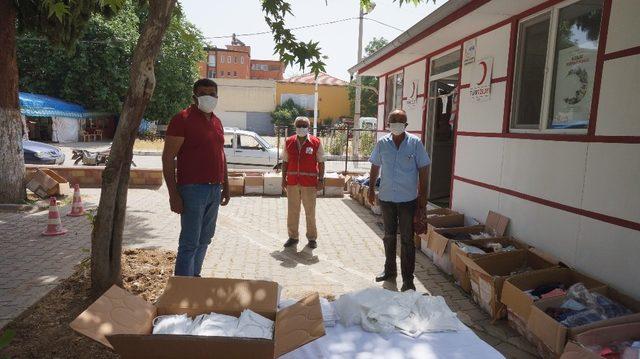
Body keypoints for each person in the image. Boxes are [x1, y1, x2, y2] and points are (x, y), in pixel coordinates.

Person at [162, 78, 230, 277]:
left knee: (205, 239)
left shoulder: (217, 122)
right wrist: (173, 195)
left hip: (214, 189)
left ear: (217, 96)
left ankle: (195, 280)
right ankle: (183, 288)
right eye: (203, 93)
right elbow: (167, 158)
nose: (208, 97)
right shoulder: (181, 119)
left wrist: (226, 185)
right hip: (192, 190)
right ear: (194, 96)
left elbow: (221, 154)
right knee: (190, 242)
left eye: (212, 94)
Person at [368, 109, 430, 292]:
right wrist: (371, 189)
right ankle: (390, 272)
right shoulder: (382, 143)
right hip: (387, 198)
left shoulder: (415, 143)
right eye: (392, 120)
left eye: (399, 121)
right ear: (387, 123)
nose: (395, 124)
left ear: (406, 125)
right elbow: (375, 165)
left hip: (407, 200)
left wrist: (423, 195)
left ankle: (408, 280)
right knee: (388, 237)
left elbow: (424, 168)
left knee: (407, 241)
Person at [281, 116, 325, 249]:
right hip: (293, 182)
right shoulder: (289, 141)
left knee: (310, 212)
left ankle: (312, 238)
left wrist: (321, 180)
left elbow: (321, 162)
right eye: (299, 125)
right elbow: (285, 162)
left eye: (304, 125)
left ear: (309, 127)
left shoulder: (316, 142)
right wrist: (283, 179)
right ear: (295, 127)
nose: (301, 128)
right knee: (292, 211)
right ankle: (293, 237)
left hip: (309, 183)